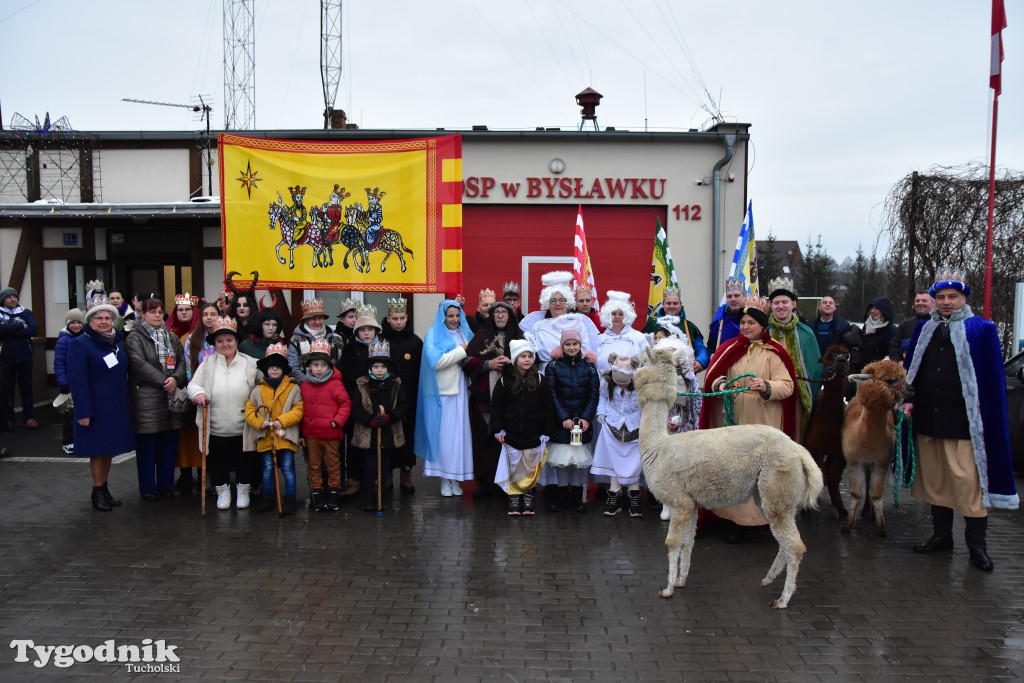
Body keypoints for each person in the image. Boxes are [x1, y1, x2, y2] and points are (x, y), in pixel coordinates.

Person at [901, 268, 1018, 572]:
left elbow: (991, 379)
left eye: (952, 296)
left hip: (965, 423)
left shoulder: (982, 329)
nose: (946, 301)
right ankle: (941, 536)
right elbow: (913, 371)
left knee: (968, 485)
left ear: (963, 297)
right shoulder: (924, 329)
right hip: (930, 418)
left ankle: (977, 546)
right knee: (937, 481)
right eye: (940, 297)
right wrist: (909, 399)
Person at [700, 295, 799, 542]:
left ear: (762, 326)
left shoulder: (775, 352)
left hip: (761, 424)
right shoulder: (728, 349)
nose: (745, 327)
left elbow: (787, 386)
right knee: (731, 470)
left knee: (755, 473)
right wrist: (720, 384)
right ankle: (729, 519)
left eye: (750, 323)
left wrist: (767, 386)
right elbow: (712, 378)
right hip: (732, 424)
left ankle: (753, 522)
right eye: (743, 322)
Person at [67, 292, 135, 511]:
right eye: (99, 319)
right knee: (97, 450)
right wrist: (83, 411)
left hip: (115, 406)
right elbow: (77, 382)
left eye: (107, 318)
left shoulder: (116, 341)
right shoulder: (80, 344)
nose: (104, 322)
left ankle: (104, 488)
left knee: (108, 449)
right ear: (90, 321)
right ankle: (97, 491)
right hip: (95, 407)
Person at [187, 317, 261, 511]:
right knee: (217, 462)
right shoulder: (207, 364)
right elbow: (193, 385)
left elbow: (266, 385)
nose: (225, 344)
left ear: (236, 342)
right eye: (220, 341)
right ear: (214, 344)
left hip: (243, 426)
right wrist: (199, 394)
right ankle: (223, 492)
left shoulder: (251, 363)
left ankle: (243, 491)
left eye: (229, 340)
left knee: (245, 461)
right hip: (215, 426)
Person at [125, 297, 187, 501]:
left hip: (171, 397)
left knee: (168, 445)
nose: (157, 315)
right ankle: (148, 487)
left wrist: (175, 378)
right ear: (142, 314)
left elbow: (181, 362)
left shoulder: (171, 337)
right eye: (152, 312)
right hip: (147, 399)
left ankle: (166, 484)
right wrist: (164, 381)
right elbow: (139, 365)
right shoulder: (135, 337)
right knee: (148, 447)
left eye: (160, 312)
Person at [415, 299, 474, 496]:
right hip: (445, 393)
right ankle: (443, 478)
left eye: (457, 315)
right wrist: (461, 351)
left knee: (460, 437)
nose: (454, 319)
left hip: (462, 390)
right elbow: (436, 361)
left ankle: (455, 478)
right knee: (445, 437)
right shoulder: (434, 334)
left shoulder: (465, 333)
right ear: (443, 316)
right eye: (450, 316)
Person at [463, 300, 521, 499]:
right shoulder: (482, 335)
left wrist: (512, 363)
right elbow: (467, 360)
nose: (500, 316)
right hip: (484, 396)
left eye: (504, 312)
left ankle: (509, 483)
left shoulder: (518, 336)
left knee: (509, 440)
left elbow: (531, 360)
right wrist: (488, 364)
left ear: (510, 315)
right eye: (496, 312)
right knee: (484, 439)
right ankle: (485, 483)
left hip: (512, 397)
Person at [491, 340, 556, 516]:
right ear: (515, 358)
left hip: (534, 433)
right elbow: (496, 407)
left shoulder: (541, 379)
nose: (527, 360)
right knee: (513, 465)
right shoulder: (504, 381)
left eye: (530, 356)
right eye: (523, 356)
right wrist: (498, 429)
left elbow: (548, 406)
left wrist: (547, 430)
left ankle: (528, 497)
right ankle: (513, 498)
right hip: (511, 433)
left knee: (530, 467)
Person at [543, 329, 600, 513]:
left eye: (575, 344)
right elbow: (551, 394)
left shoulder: (590, 367)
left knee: (578, 460)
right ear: (562, 346)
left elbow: (594, 394)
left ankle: (577, 496)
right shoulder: (552, 366)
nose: (571, 347)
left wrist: (586, 418)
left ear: (580, 345)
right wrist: (563, 418)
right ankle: (560, 494)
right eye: (567, 344)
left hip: (582, 422)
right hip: (562, 422)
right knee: (563, 459)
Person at [349, 339, 408, 512]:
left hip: (388, 433)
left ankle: (381, 496)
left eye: (382, 367)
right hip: (369, 434)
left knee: (384, 467)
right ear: (370, 368)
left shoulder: (395, 384)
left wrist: (391, 417)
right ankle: (368, 496)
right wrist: (369, 420)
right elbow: (356, 407)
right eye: (376, 367)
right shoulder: (362, 384)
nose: (380, 370)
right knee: (371, 467)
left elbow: (403, 406)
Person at [246, 343, 304, 516]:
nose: (275, 370)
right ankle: (268, 497)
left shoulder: (293, 388)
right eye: (271, 367)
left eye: (278, 367)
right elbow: (250, 411)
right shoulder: (258, 389)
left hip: (285, 436)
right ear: (266, 369)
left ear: (283, 369)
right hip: (266, 437)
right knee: (268, 468)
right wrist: (259, 422)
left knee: (287, 468)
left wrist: (282, 420)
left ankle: (290, 498)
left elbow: (298, 409)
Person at [299, 338, 352, 511]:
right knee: (313, 466)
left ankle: (334, 493)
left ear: (329, 366)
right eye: (315, 365)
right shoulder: (305, 385)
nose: (319, 369)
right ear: (309, 367)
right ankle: (317, 493)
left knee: (333, 465)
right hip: (311, 435)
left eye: (323, 365)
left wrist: (336, 421)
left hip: (330, 433)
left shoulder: (336, 384)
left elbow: (345, 404)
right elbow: (300, 410)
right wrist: (301, 434)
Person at [766, 277, 820, 436]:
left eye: (785, 302)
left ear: (793, 304)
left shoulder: (806, 333)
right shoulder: (763, 333)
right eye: (776, 303)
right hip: (769, 396)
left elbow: (816, 368)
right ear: (770, 305)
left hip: (796, 398)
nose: (780, 306)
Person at [592, 354, 645, 518]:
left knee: (634, 463)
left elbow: (645, 404)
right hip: (612, 425)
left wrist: (644, 419)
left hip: (635, 426)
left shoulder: (641, 383)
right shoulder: (606, 381)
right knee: (614, 463)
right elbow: (602, 397)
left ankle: (634, 498)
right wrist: (601, 412)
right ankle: (613, 497)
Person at [177, 301, 221, 494]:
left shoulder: (225, 336)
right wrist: (195, 390)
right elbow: (188, 367)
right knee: (202, 435)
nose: (209, 317)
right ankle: (205, 476)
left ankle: (214, 475)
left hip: (221, 392)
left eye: (213, 314)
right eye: (206, 314)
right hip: (200, 392)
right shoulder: (192, 339)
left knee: (217, 437)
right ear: (201, 317)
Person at [380, 297, 422, 495]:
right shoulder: (380, 341)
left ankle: (406, 474)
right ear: (388, 319)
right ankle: (386, 474)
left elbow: (422, 372)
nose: (398, 322)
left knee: (407, 437)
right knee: (387, 437)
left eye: (402, 318)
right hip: (385, 400)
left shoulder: (415, 342)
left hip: (409, 400)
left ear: (407, 318)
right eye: (394, 318)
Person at [520, 271, 600, 372]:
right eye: (553, 300)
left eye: (561, 300)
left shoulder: (578, 323)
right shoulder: (538, 326)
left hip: (573, 372)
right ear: (547, 303)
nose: (557, 304)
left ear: (567, 302)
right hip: (547, 373)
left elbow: (586, 350)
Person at [643, 286, 709, 372]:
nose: (672, 306)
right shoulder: (651, 327)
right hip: (656, 376)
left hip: (684, 378)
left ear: (681, 304)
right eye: (668, 303)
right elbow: (642, 349)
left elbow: (700, 348)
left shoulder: (690, 327)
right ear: (663, 304)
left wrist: (701, 361)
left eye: (675, 303)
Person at [0, 286, 38, 430]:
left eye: (14, 296)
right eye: (9, 297)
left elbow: (32, 330)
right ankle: (9, 419)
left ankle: (28, 417)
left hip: (24, 356)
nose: (12, 299)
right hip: (5, 358)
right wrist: (20, 325)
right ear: (3, 300)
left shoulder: (26, 312)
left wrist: (8, 329)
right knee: (7, 390)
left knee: (26, 389)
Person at [288, 298, 345, 381]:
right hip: (305, 386)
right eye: (313, 318)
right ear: (306, 320)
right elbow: (293, 367)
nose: (317, 322)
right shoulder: (296, 340)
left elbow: (341, 365)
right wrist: (308, 383)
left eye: (320, 318)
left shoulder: (336, 338)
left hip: (332, 386)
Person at [54, 308, 85, 454]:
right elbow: (59, 362)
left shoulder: (87, 338)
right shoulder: (63, 340)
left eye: (79, 322)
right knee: (69, 414)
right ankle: (68, 441)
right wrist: (63, 382)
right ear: (67, 324)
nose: (76, 325)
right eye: (73, 323)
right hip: (69, 384)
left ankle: (82, 440)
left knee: (84, 412)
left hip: (84, 382)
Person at [594, 291, 649, 373]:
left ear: (627, 316)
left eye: (621, 314)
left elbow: (647, 364)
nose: (617, 317)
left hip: (632, 385)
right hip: (604, 385)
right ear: (608, 315)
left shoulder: (638, 337)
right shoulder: (599, 340)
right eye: (613, 313)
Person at [848, 297, 895, 374]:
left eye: (876, 308)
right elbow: (862, 344)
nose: (873, 311)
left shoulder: (891, 330)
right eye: (872, 308)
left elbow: (893, 351)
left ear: (884, 310)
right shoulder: (867, 326)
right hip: (863, 369)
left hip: (881, 372)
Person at [707, 276, 746, 354]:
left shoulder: (754, 321)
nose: (733, 299)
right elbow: (711, 348)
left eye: (737, 296)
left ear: (745, 297)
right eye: (729, 296)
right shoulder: (718, 323)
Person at [891, 291, 934, 360]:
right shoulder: (905, 324)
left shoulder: (939, 324)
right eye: (917, 301)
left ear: (934, 304)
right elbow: (894, 347)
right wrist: (898, 361)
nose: (920, 303)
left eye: (924, 301)